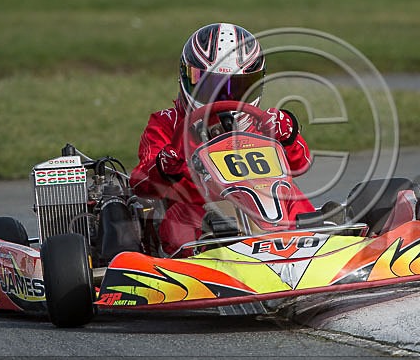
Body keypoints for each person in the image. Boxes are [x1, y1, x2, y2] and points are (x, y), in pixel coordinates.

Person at [130, 23, 315, 255]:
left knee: (293, 195)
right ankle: (197, 267)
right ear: (188, 80)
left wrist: (287, 136)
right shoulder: (167, 123)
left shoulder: (261, 122)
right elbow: (139, 183)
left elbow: (300, 164)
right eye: (212, 87)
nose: (224, 98)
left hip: (265, 203)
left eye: (236, 88)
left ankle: (319, 243)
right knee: (179, 221)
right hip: (202, 212)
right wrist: (165, 166)